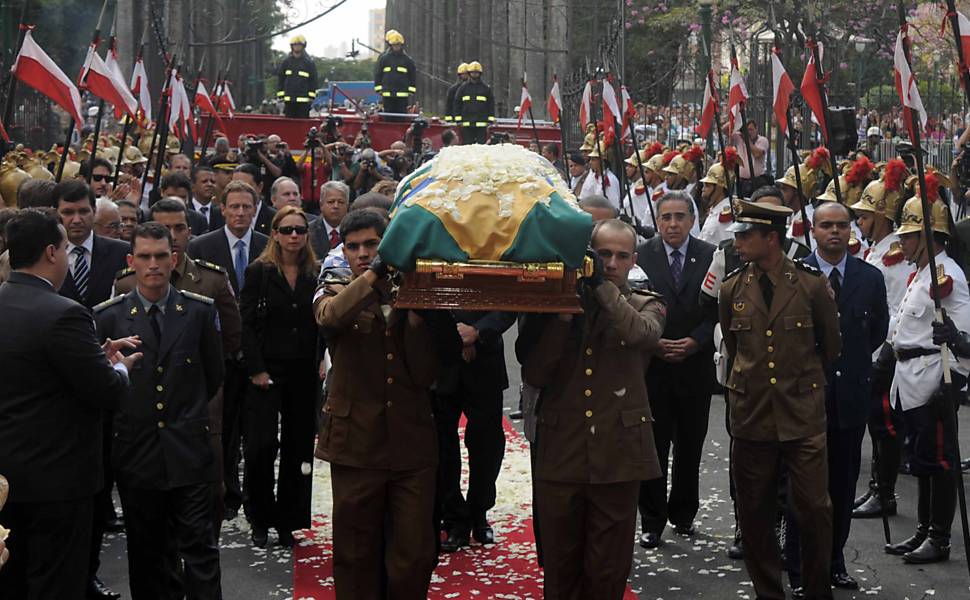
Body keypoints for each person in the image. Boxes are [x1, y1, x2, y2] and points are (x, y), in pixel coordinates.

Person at [521, 219, 665, 599]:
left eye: (621, 256)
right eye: (603, 255)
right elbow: (536, 372)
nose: (612, 263)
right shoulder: (554, 303)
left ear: (633, 260)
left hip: (619, 453)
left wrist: (599, 284)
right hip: (562, 449)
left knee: (609, 567)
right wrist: (563, 314)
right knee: (560, 561)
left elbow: (640, 334)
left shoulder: (645, 302)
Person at [0, 209, 140, 600]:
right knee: (56, 584)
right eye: (64, 248)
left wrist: (92, 356)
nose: (65, 256)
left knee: (10, 579)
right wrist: (120, 368)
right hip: (58, 483)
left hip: (7, 481)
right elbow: (106, 391)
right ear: (50, 252)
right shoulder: (65, 313)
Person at [314, 209, 445, 599]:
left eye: (372, 244)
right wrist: (375, 276)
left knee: (414, 554)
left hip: (411, 441)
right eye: (353, 246)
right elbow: (330, 318)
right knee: (355, 552)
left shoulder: (414, 289)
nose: (362, 253)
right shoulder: (334, 287)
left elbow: (425, 372)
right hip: (356, 443)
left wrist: (415, 314)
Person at [718, 199, 841, 600]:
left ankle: (816, 588)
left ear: (772, 238)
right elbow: (736, 349)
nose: (737, 242)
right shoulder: (733, 287)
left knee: (814, 510)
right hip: (752, 415)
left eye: (746, 235)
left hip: (801, 414)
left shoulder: (809, 284)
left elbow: (830, 345)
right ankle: (768, 591)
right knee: (754, 513)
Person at [95, 222, 224, 600]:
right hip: (139, 451)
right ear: (131, 261)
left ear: (175, 259)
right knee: (148, 553)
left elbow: (213, 374)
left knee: (199, 549)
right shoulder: (110, 317)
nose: (154, 264)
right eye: (146, 257)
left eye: (161, 256)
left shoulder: (199, 312)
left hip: (189, 447)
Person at [114, 198, 242, 538]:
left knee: (206, 489)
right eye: (164, 227)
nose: (172, 234)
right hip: (146, 411)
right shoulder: (125, 287)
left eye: (178, 228)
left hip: (197, 401)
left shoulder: (210, 280)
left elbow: (229, 339)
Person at [783, 202, 889, 593]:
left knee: (842, 488)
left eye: (842, 225)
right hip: (806, 398)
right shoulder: (795, 275)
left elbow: (875, 330)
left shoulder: (870, 278)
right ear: (813, 229)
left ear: (851, 231)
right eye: (826, 225)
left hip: (850, 400)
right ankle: (798, 567)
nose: (835, 232)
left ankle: (834, 560)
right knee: (805, 491)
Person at [885, 185, 970, 564]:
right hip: (910, 378)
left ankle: (939, 538)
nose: (901, 242)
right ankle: (923, 531)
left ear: (929, 237)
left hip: (935, 377)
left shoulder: (949, 276)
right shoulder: (922, 273)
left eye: (908, 236)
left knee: (940, 462)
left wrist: (954, 380)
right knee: (922, 461)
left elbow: (964, 336)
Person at [634, 191, 716, 549]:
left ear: (692, 219)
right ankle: (652, 519)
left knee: (690, 444)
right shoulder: (641, 256)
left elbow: (717, 310)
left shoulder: (711, 256)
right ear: (657, 220)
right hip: (653, 366)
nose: (672, 224)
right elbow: (630, 304)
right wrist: (655, 343)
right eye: (666, 217)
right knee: (653, 445)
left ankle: (684, 512)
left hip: (694, 366)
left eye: (680, 216)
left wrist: (696, 341)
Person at [188, 181, 270, 520]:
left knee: (256, 436)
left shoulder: (268, 247)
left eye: (246, 207)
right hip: (218, 354)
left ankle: (254, 501)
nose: (240, 213)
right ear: (222, 209)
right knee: (221, 433)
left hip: (256, 356)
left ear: (255, 209)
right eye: (233, 207)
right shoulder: (202, 246)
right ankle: (225, 496)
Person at [239, 206, 319, 548]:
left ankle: (289, 519)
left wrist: (322, 361)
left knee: (298, 446)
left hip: (303, 369)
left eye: (299, 230)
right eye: (286, 230)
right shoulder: (259, 271)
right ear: (274, 233)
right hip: (266, 370)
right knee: (260, 446)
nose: (293, 236)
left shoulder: (315, 271)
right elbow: (245, 322)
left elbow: (322, 321)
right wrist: (256, 369)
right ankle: (260, 517)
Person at [849, 161, 913, 519]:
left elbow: (895, 308)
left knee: (885, 425)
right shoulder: (875, 249)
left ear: (883, 216)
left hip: (884, 352)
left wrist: (881, 353)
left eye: (865, 216)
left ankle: (884, 492)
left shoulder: (896, 256)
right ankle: (877, 488)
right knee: (874, 424)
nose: (859, 222)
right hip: (868, 349)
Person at [435, 307, 516, 551]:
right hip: (441, 359)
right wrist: (456, 336)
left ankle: (478, 511)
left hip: (485, 360)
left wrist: (478, 331)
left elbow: (509, 299)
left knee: (487, 446)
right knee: (441, 445)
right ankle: (453, 517)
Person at [697, 150, 739, 246]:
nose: (703, 190)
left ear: (719, 187)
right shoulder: (715, 209)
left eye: (708, 186)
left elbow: (727, 247)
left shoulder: (726, 214)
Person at [374, 30, 417, 117]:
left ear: (401, 45)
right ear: (390, 45)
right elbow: (378, 74)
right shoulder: (384, 59)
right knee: (388, 117)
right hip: (387, 95)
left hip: (402, 96)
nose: (396, 47)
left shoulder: (407, 60)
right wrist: (378, 89)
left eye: (398, 45)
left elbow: (413, 76)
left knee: (401, 118)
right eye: (394, 45)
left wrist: (411, 91)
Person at [277, 35, 318, 118]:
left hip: (304, 102)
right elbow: (281, 79)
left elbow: (313, 80)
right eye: (295, 45)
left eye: (299, 45)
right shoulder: (286, 62)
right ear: (292, 46)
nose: (297, 47)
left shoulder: (308, 63)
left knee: (303, 125)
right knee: (289, 124)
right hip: (289, 100)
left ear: (303, 46)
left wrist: (311, 97)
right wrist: (281, 95)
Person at [454, 61, 494, 145]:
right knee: (468, 147)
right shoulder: (463, 88)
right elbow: (457, 104)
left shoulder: (486, 88)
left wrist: (490, 121)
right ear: (469, 73)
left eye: (476, 73)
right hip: (466, 124)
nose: (475, 74)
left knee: (481, 147)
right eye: (473, 72)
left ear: (480, 73)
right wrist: (458, 121)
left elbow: (491, 105)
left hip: (481, 125)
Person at [309, 181, 349, 259]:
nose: (336, 206)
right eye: (331, 202)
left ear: (347, 206)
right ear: (321, 205)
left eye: (341, 202)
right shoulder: (309, 232)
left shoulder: (353, 231)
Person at [232, 163, 276, 236]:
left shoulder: (274, 218)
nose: (240, 191)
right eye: (235, 186)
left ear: (260, 187)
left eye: (246, 187)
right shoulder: (220, 214)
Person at [731, 120, 770, 196]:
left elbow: (757, 154)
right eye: (747, 130)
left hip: (756, 181)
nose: (749, 132)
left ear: (756, 129)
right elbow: (724, 129)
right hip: (741, 181)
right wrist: (737, 122)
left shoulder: (762, 140)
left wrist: (747, 140)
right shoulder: (740, 138)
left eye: (751, 129)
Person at [191, 166, 223, 231]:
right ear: (193, 186)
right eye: (204, 181)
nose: (209, 184)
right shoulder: (186, 210)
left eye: (213, 182)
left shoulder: (221, 213)